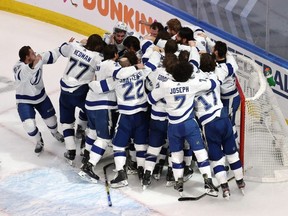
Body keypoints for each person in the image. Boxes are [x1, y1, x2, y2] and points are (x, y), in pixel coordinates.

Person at [147, 60, 218, 196]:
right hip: (189, 124)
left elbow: (150, 99)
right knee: (200, 152)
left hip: (173, 126)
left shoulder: (165, 85)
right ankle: (208, 181)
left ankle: (178, 182)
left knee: (176, 154)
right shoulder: (193, 84)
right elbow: (212, 84)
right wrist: (212, 75)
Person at [89, 52, 150, 188]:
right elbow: (151, 67)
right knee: (140, 144)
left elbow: (97, 87)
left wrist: (92, 81)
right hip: (141, 114)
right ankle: (142, 171)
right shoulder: (142, 72)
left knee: (118, 145)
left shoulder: (115, 79)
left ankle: (121, 175)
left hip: (126, 116)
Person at [195, 53, 245, 199]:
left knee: (216, 159)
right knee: (232, 154)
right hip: (223, 118)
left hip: (209, 124)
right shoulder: (217, 75)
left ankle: (224, 187)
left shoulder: (192, 82)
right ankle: (240, 181)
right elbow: (231, 65)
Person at [58, 34, 105, 164]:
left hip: (65, 90)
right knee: (91, 115)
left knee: (66, 121)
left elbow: (62, 49)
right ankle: (86, 145)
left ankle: (70, 150)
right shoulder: (97, 57)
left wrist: (78, 43)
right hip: (80, 91)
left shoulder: (75, 46)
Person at [78, 44, 119, 182]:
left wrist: (92, 85)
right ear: (115, 55)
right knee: (104, 139)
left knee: (93, 132)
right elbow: (110, 83)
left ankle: (86, 157)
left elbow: (96, 84)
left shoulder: (100, 64)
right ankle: (89, 166)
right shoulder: (112, 65)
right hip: (103, 106)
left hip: (90, 103)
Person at [13, 45, 64, 154]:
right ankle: (38, 140)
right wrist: (33, 65)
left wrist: (65, 46)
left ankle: (55, 133)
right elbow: (24, 76)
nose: (35, 54)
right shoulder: (17, 67)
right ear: (27, 58)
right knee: (29, 126)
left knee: (52, 121)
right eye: (32, 53)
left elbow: (52, 54)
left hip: (40, 97)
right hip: (24, 100)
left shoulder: (38, 58)